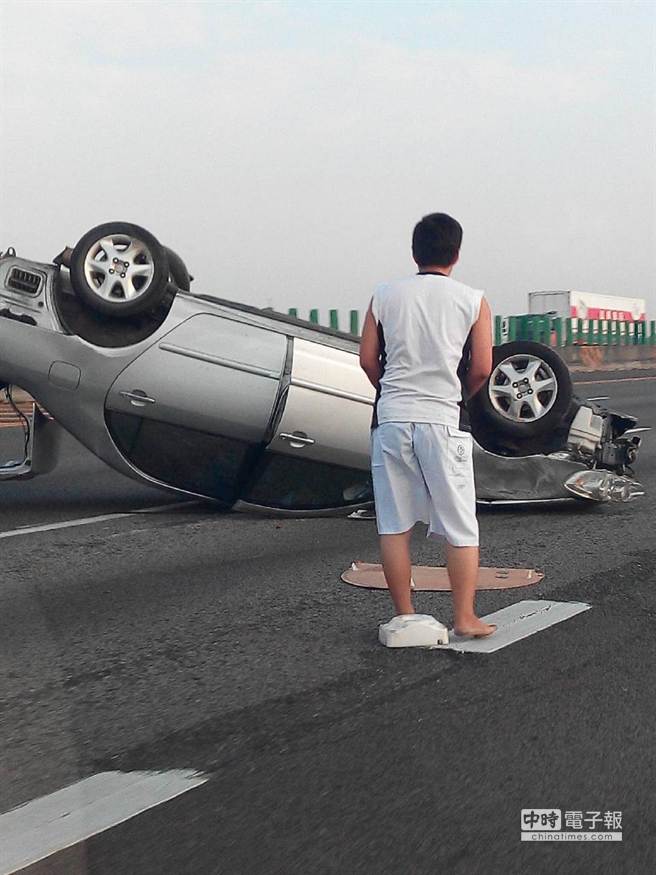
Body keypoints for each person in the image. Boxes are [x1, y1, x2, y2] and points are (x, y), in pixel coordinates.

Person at [359, 212, 496, 642]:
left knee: (395, 523)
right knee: (459, 523)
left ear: (414, 252)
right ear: (456, 254)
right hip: (443, 418)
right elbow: (482, 368)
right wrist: (458, 396)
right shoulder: (473, 300)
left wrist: (392, 392)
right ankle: (464, 617)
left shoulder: (384, 296)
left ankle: (404, 614)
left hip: (393, 418)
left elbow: (366, 359)